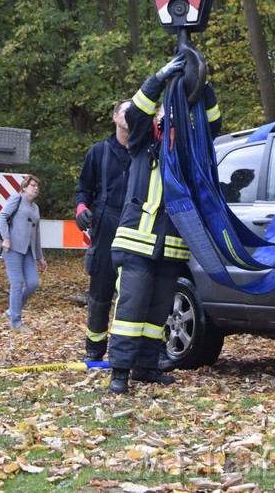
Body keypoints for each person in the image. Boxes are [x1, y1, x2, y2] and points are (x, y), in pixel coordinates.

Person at [107, 54, 222, 394]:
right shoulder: (142, 141)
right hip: (136, 244)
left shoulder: (188, 148)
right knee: (131, 310)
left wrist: (203, 84)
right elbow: (133, 113)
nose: (169, 116)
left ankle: (147, 366)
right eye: (164, 112)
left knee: (157, 311)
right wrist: (158, 79)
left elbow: (212, 124)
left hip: (171, 246)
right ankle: (120, 373)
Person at [75, 99, 132, 362]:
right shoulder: (99, 151)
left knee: (133, 292)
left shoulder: (145, 152)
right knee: (101, 291)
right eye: (126, 111)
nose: (131, 115)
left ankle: (129, 352)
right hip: (105, 222)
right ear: (115, 117)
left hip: (135, 223)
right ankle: (95, 351)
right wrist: (81, 208)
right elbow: (83, 189)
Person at [0, 174, 47, 333]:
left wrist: (40, 256)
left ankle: (12, 311)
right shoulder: (16, 199)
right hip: (12, 248)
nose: (36, 188)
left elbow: (37, 232)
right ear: (24, 187)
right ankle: (16, 322)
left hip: (28, 251)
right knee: (17, 284)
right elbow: (2, 216)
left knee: (33, 283)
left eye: (37, 186)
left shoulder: (36, 207)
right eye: (32, 185)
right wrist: (5, 238)